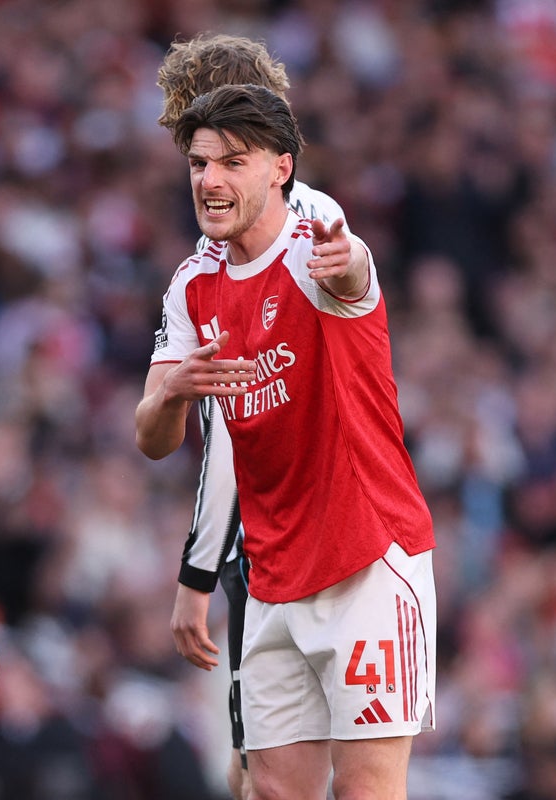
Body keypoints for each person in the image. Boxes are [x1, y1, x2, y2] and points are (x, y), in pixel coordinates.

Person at [136, 83, 436, 800]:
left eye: (232, 162)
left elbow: (352, 266)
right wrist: (174, 393)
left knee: (366, 789)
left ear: (281, 168)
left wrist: (350, 259)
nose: (209, 180)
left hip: (365, 561)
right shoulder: (192, 285)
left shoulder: (315, 249)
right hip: (271, 577)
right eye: (199, 164)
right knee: (269, 789)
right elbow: (150, 438)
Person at [155, 33, 372, 800]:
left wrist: (196, 572)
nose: (207, 167)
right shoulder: (209, 259)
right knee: (260, 773)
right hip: (273, 545)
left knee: (292, 776)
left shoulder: (302, 224)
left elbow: (233, 427)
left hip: (309, 542)